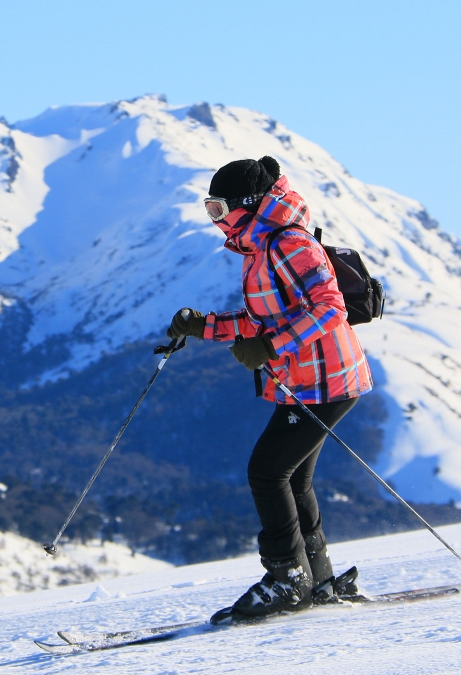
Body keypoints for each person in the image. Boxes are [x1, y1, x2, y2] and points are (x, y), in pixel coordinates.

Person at [166, 156, 373, 620]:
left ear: (247, 205)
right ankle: (317, 578)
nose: (215, 221)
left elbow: (330, 308)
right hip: (308, 380)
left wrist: (271, 346)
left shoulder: (290, 244)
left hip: (329, 379)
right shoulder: (259, 250)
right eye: (209, 209)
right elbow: (263, 321)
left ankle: (286, 579)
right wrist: (203, 327)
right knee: (292, 476)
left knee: (267, 472)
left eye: (218, 210)